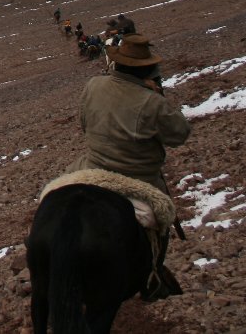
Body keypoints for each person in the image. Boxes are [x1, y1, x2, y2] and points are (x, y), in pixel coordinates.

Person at [70, 33, 189, 299]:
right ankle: (152, 276)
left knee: (54, 192)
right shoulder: (152, 102)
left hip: (92, 165)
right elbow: (179, 135)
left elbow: (84, 123)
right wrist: (158, 97)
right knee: (162, 217)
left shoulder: (94, 85)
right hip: (138, 177)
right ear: (147, 70)